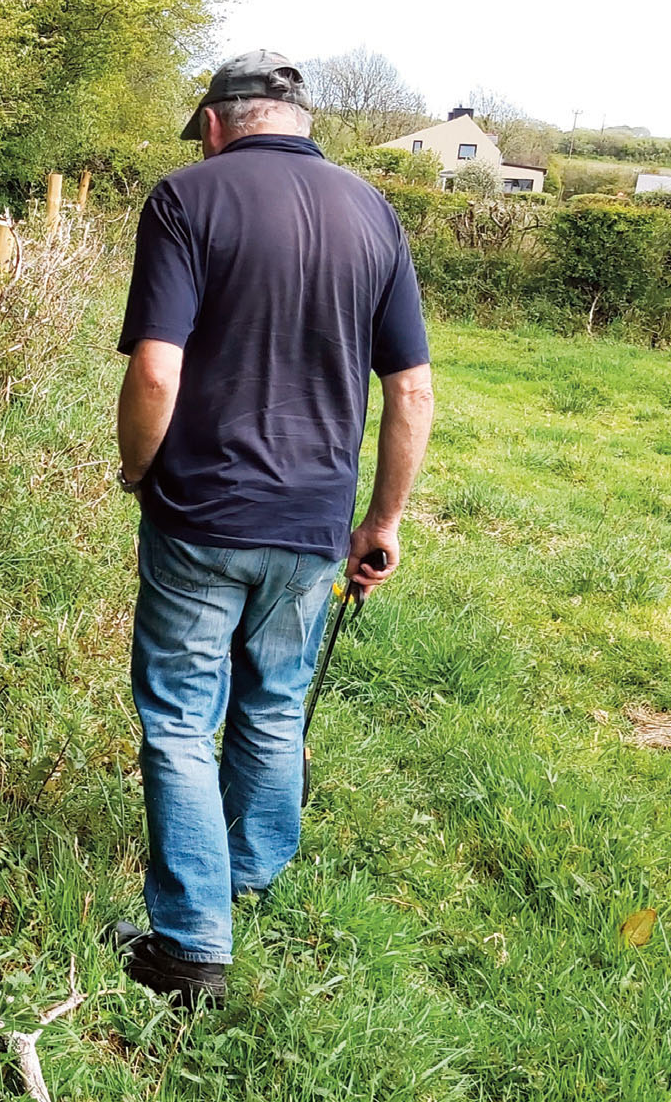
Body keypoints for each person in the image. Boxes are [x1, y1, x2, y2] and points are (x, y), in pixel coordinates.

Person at [107, 51, 435, 1008]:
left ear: (215, 123)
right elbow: (409, 387)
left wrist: (135, 469)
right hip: (311, 522)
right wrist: (381, 520)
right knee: (274, 701)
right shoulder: (373, 211)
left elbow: (155, 372)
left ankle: (191, 944)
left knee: (177, 717)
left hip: (199, 511)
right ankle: (246, 868)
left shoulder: (183, 199)